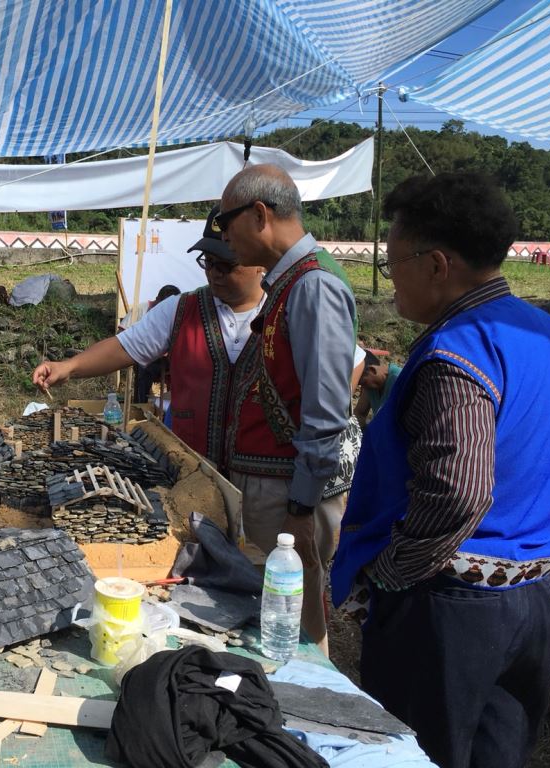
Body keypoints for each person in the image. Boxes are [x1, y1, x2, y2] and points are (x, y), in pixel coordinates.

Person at [330, 173, 550, 768]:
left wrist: (390, 574)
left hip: (453, 607)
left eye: (393, 265)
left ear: (437, 265)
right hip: (534, 595)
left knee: (416, 755)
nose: (392, 282)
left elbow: (459, 492)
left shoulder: (460, 351)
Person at [216, 164, 356, 650]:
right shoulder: (293, 280)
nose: (224, 237)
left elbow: (325, 413)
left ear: (259, 215)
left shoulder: (314, 285)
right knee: (280, 614)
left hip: (289, 493)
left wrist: (300, 507)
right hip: (277, 488)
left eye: (226, 222)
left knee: (295, 621)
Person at [32, 206, 265, 468]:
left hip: (263, 474)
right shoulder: (182, 309)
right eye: (208, 262)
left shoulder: (284, 310)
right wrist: (69, 367)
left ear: (258, 260)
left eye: (226, 265)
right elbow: (124, 347)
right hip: (192, 471)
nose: (214, 272)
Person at [352, 351, 401, 427]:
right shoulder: (371, 386)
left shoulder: (398, 378)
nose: (362, 387)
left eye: (363, 383)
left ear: (372, 370)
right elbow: (359, 413)